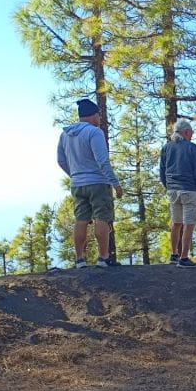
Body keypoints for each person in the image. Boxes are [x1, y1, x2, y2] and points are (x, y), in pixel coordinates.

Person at [57, 98, 123, 268]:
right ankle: (103, 258)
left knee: (81, 219)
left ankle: (80, 260)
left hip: (77, 184)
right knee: (102, 217)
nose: (99, 119)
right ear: (93, 115)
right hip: (98, 183)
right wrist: (115, 183)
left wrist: (75, 174)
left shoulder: (65, 134)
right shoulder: (94, 132)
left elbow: (61, 160)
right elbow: (102, 161)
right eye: (98, 115)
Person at [160, 119, 196, 268]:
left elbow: (162, 171)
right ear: (186, 132)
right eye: (191, 132)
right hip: (189, 190)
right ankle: (184, 258)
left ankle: (174, 255)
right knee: (188, 224)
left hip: (173, 190)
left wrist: (168, 186)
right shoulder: (192, 148)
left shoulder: (166, 148)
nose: (192, 135)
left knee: (176, 223)